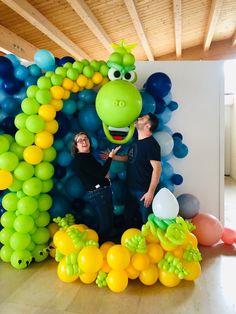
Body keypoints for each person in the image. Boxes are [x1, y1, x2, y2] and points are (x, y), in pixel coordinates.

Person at [101, 113, 162, 229]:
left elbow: (157, 169)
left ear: (148, 126)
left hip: (144, 192)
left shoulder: (152, 144)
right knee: (130, 220)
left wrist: (150, 192)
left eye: (142, 118)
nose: (138, 118)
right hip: (131, 189)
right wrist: (114, 158)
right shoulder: (136, 142)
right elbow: (130, 157)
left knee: (147, 223)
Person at [71, 132, 120, 242]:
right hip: (99, 193)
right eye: (80, 140)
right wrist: (110, 157)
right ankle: (97, 250)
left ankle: (109, 248)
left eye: (86, 139)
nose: (84, 142)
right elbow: (101, 174)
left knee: (109, 224)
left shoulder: (85, 157)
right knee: (105, 226)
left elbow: (96, 175)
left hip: (100, 192)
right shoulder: (82, 158)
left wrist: (102, 178)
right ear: (76, 146)